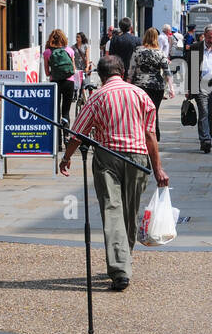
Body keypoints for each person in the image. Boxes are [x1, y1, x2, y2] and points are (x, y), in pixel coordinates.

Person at [59, 54, 170, 292]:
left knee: (112, 210)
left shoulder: (97, 97)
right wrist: (158, 168)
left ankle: (120, 268)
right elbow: (151, 134)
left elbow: (77, 133)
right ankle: (123, 260)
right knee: (130, 211)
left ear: (101, 75)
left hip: (108, 157)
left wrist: (66, 158)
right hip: (139, 158)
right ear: (123, 72)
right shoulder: (141, 95)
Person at [186, 24, 212, 153]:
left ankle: (206, 136)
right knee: (204, 111)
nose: (211, 41)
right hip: (200, 84)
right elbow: (190, 69)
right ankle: (206, 139)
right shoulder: (195, 48)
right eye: (209, 38)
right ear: (204, 36)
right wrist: (188, 88)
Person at [129, 28, 170, 141]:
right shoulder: (160, 53)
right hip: (157, 87)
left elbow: (131, 69)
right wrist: (171, 88)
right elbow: (167, 72)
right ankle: (154, 135)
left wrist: (128, 83)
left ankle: (140, 136)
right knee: (154, 111)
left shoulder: (138, 51)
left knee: (140, 112)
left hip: (140, 85)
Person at [43, 29, 78, 124]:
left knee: (56, 111)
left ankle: (57, 136)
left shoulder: (47, 52)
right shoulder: (69, 50)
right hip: (69, 82)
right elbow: (73, 70)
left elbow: (46, 73)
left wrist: (55, 72)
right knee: (66, 111)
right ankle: (66, 135)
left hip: (55, 83)